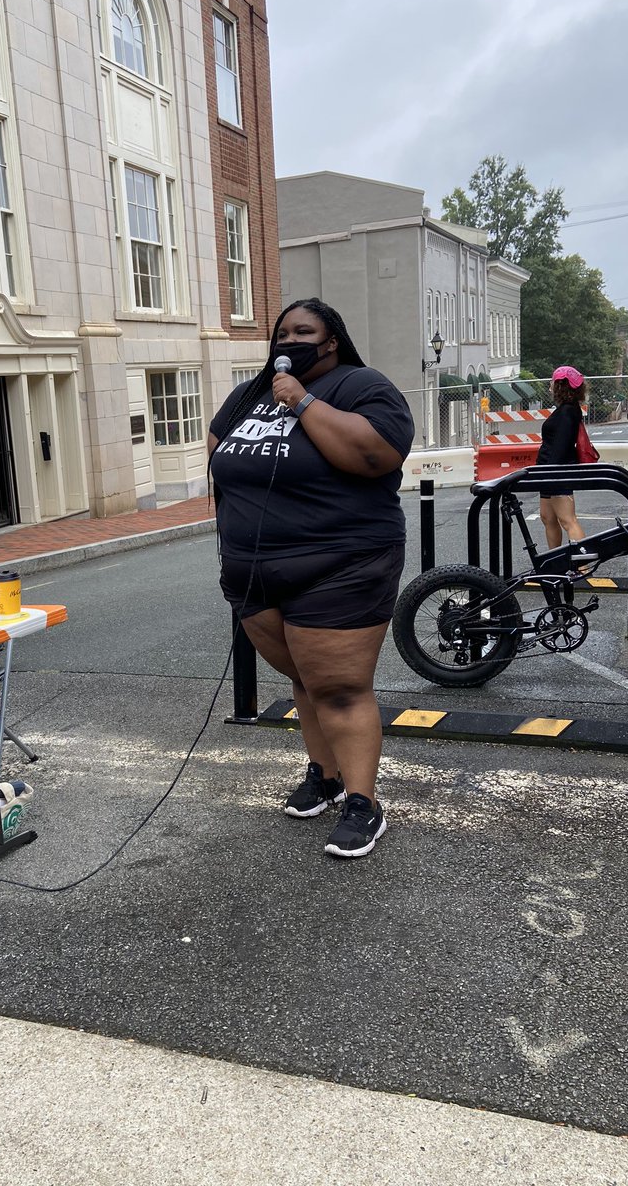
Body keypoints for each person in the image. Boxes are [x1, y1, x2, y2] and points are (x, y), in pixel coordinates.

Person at [208, 297, 414, 860]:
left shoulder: (362, 386)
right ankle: (323, 774)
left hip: (342, 565)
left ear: (332, 340)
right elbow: (221, 455)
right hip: (254, 571)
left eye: (304, 331)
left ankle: (362, 802)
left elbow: (374, 455)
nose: (289, 341)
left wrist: (301, 403)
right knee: (303, 679)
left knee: (340, 688)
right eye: (282, 332)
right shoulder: (250, 393)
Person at [535, 364, 588, 548]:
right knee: (548, 517)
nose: (550, 386)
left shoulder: (567, 412)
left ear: (560, 386)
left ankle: (582, 566)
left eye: (553, 382)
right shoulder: (567, 409)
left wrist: (550, 474)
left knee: (567, 520)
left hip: (556, 472)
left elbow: (562, 446)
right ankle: (555, 561)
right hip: (550, 472)